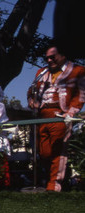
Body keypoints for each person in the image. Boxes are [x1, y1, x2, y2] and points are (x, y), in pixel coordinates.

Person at [27, 43, 85, 192]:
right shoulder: (42, 72)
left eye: (53, 57)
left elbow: (80, 94)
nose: (49, 60)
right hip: (42, 115)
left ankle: (54, 185)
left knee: (58, 151)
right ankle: (57, 180)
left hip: (60, 115)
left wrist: (71, 112)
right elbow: (31, 89)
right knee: (44, 152)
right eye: (47, 58)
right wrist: (31, 100)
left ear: (63, 56)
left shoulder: (77, 70)